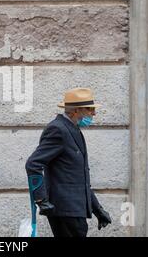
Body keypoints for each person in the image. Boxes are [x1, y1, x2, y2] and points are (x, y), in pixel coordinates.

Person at [25, 87, 112, 237]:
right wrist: (41, 199)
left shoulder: (73, 130)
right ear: (76, 111)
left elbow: (79, 178)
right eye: (89, 109)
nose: (94, 113)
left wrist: (97, 209)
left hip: (74, 209)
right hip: (65, 209)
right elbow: (33, 163)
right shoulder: (58, 130)